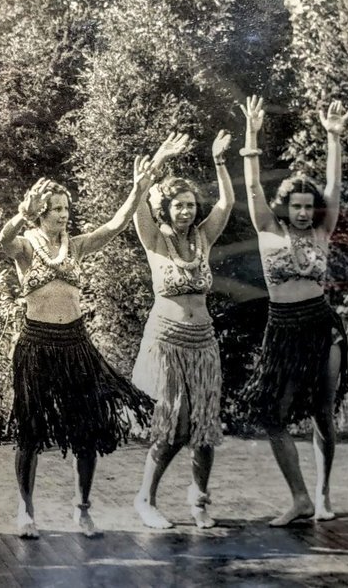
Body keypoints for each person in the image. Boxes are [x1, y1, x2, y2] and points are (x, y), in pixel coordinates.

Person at [0, 156, 156, 539]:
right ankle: (26, 508)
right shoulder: (27, 246)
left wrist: (138, 189)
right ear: (41, 213)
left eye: (66, 209)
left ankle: (82, 509)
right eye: (56, 209)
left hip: (75, 344)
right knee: (31, 433)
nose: (63, 215)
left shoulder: (76, 246)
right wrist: (21, 215)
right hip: (36, 345)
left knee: (87, 429)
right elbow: (3, 241)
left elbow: (115, 225)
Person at [240, 96, 348, 526]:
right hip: (283, 330)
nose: (304, 212)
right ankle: (300, 497)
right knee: (275, 415)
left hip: (322, 327)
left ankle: (323, 495)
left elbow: (334, 186)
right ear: (285, 206)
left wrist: (333, 137)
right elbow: (252, 188)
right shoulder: (268, 228)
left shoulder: (323, 230)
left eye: (309, 206)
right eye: (297, 206)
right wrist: (251, 135)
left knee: (323, 411)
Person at [131, 130, 234, 530]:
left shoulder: (204, 237)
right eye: (179, 205)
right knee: (175, 424)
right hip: (168, 342)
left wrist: (220, 162)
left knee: (205, 427)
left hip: (203, 343)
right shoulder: (155, 239)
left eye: (191, 205)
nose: (186, 212)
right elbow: (138, 202)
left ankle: (200, 500)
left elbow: (226, 203)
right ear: (166, 209)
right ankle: (146, 498)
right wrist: (158, 159)